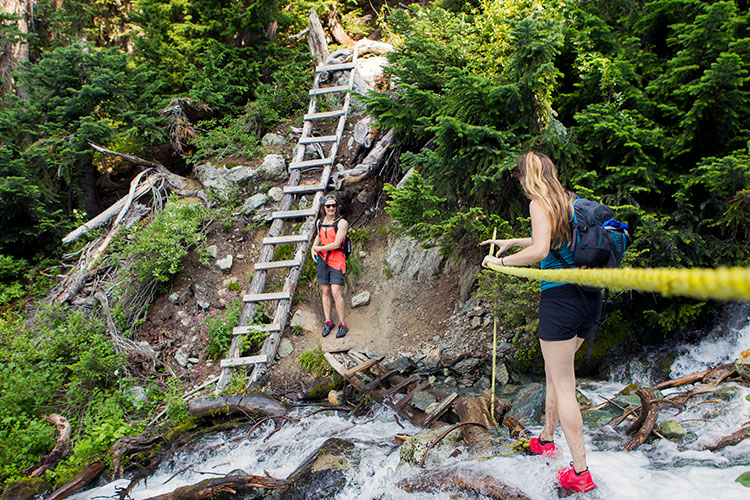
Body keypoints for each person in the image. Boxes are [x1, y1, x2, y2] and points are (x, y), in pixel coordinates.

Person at [480, 151, 600, 493]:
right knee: (555, 372)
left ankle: (580, 472)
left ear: (526, 176)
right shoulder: (568, 200)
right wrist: (510, 243)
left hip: (560, 299)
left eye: (520, 177)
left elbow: (541, 250)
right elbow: (552, 239)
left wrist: (500, 263)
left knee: (564, 384)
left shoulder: (537, 202)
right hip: (589, 299)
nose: (519, 183)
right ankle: (547, 439)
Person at [311, 194, 349, 339]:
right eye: (328, 206)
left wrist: (317, 249)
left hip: (337, 259)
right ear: (323, 208)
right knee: (325, 291)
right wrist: (313, 248)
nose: (331, 208)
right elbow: (319, 235)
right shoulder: (320, 222)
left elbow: (336, 244)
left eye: (333, 205)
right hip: (323, 260)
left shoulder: (342, 223)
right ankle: (328, 321)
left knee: (335, 291)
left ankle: (342, 324)